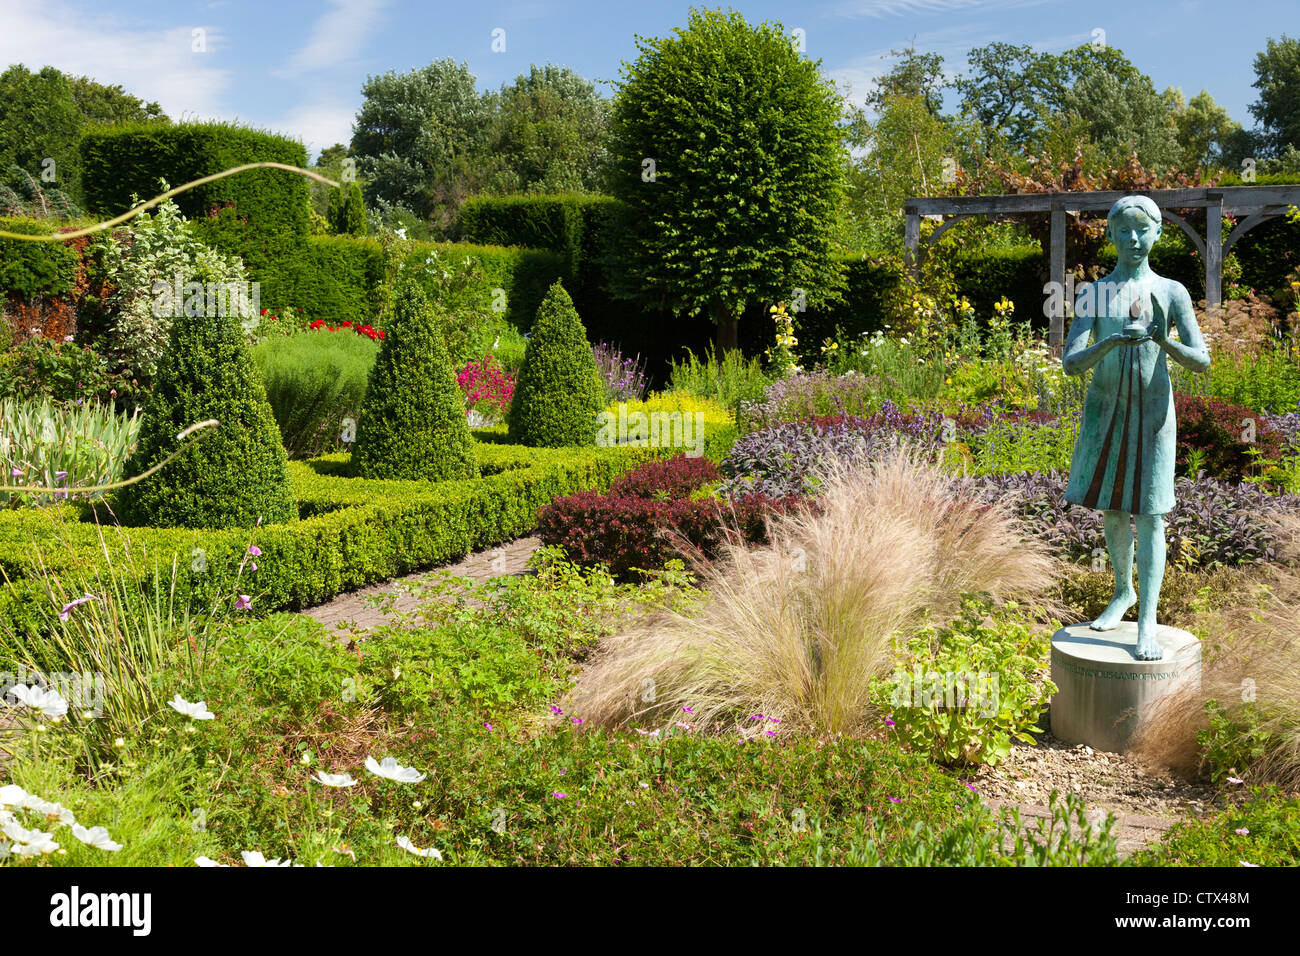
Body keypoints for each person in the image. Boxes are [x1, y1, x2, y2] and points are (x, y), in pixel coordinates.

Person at [1061, 195, 1211, 660]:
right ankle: (1122, 592)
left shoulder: (1172, 291)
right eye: (1123, 230)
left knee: (1150, 514)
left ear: (1157, 233)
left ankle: (1148, 619)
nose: (1133, 238)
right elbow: (1070, 363)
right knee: (1111, 508)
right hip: (1106, 412)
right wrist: (1109, 341)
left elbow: (1202, 360)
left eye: (1142, 230)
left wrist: (1163, 340)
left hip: (1153, 416)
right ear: (1109, 235)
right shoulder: (1095, 293)